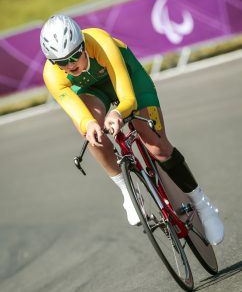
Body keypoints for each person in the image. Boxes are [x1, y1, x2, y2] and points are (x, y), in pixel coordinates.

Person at [40, 15, 224, 245]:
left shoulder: (102, 43)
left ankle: (204, 205)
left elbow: (127, 98)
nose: (69, 65)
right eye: (61, 62)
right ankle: (127, 190)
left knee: (157, 146)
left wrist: (117, 113)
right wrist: (89, 125)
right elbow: (79, 115)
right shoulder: (52, 74)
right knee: (91, 133)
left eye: (75, 56)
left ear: (83, 46)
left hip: (129, 80)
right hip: (91, 91)